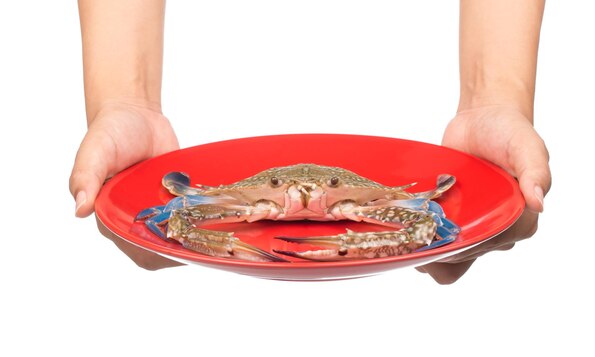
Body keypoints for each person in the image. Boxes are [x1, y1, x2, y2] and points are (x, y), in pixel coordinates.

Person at [70, 0, 551, 283]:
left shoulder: (406, 206)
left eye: (328, 190)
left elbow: (436, 220)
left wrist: (495, 101)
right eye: (281, 189)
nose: (307, 199)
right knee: (170, 217)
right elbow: (164, 209)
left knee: (433, 223)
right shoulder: (200, 203)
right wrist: (124, 101)